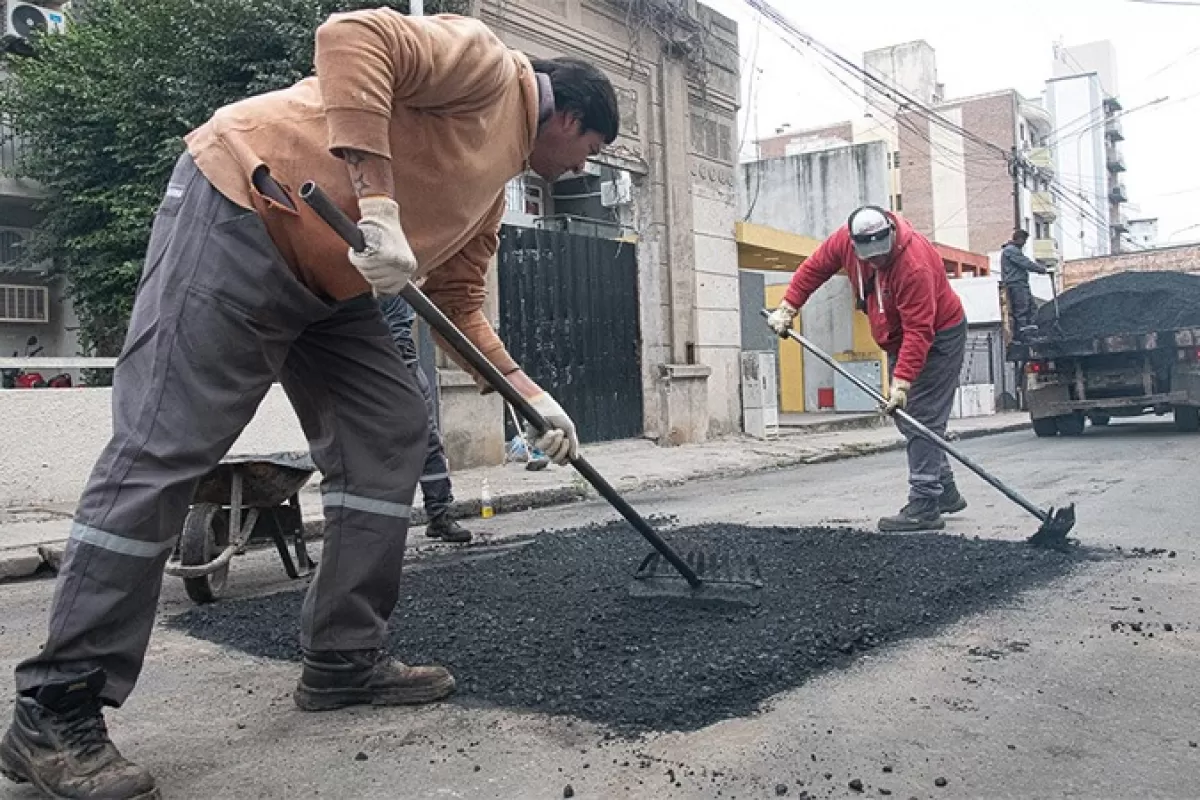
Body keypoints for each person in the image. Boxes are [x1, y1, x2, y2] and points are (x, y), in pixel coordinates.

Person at [1, 9, 618, 799]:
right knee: (168, 444)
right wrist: (381, 207)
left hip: (333, 285)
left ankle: (342, 657)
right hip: (246, 207)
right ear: (567, 117)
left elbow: (461, 306)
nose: (579, 173)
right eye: (590, 153)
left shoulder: (490, 192)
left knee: (390, 431)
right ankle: (55, 709)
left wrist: (535, 399)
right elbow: (351, 36)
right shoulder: (489, 67)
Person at [767, 205, 968, 533]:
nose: (877, 262)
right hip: (896, 338)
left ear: (889, 234)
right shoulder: (842, 242)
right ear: (855, 243)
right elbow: (814, 269)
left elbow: (920, 331)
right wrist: (788, 306)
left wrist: (901, 384)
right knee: (908, 419)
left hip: (938, 337)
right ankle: (943, 488)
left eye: (882, 256)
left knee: (923, 416)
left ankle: (925, 504)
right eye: (869, 257)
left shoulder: (914, 264)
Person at [378, 294, 471, 543]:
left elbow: (398, 331)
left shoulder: (393, 280)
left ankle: (440, 515)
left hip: (399, 369)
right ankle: (376, 525)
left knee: (427, 441)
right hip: (380, 372)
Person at [1000, 229, 1050, 340]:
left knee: (1032, 308)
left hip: (1021, 284)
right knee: (1021, 309)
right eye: (1024, 240)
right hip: (1016, 284)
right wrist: (1042, 270)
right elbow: (1025, 263)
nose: (1025, 243)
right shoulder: (1011, 251)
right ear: (1019, 239)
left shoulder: (1013, 250)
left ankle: (1031, 332)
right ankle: (1023, 335)